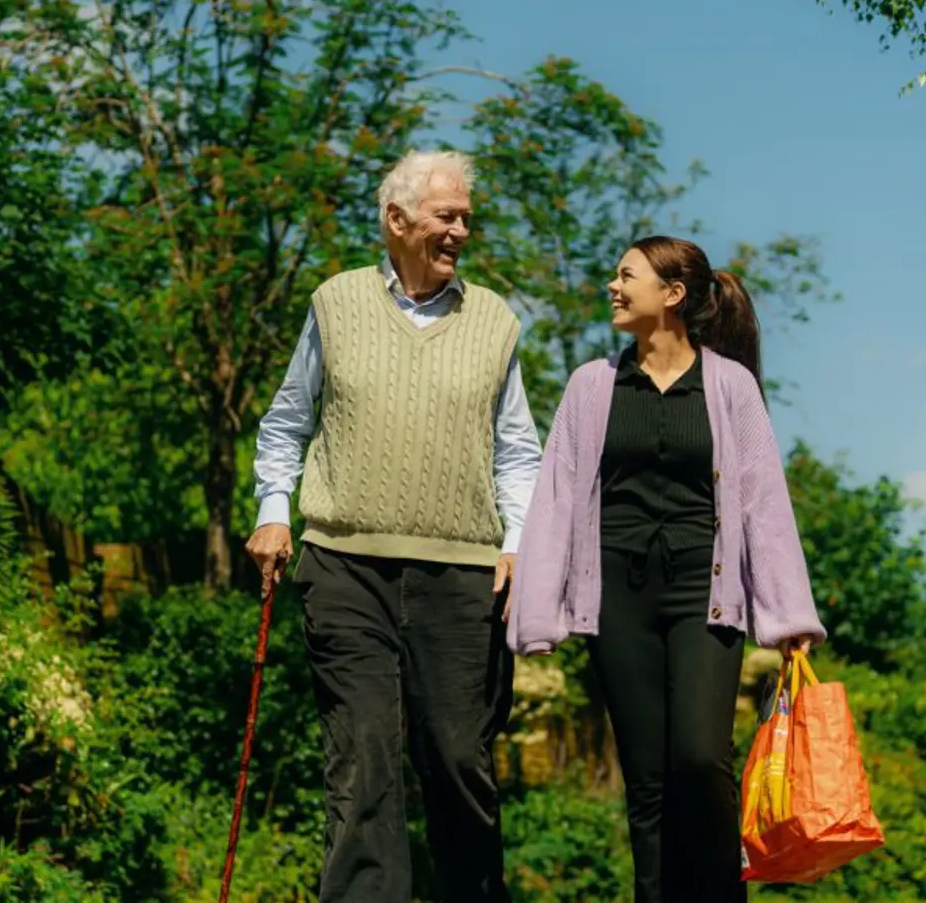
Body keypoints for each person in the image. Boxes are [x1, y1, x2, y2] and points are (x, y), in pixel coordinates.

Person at [246, 149, 543, 903]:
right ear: (397, 219)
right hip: (345, 566)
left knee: (457, 766)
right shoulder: (335, 303)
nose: (462, 231)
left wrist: (518, 545)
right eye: (449, 216)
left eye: (468, 218)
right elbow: (286, 424)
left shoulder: (495, 322)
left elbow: (518, 452)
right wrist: (273, 514)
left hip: (463, 576)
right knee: (364, 764)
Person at [507, 235, 825, 903]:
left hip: (702, 598)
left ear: (672, 295)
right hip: (616, 600)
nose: (613, 287)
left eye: (626, 276)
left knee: (700, 761)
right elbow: (558, 495)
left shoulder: (728, 386)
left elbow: (764, 503)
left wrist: (789, 615)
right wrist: (538, 609)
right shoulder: (592, 385)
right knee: (647, 781)